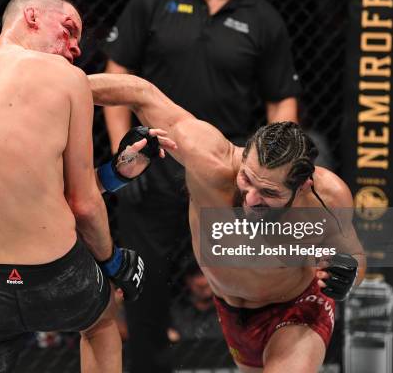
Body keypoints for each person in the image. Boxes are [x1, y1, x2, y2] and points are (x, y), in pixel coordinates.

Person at [0, 0, 174, 373]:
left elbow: (33, 195)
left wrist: (116, 173)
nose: (75, 48)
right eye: (69, 29)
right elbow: (81, 204)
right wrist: (112, 263)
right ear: (31, 16)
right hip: (55, 273)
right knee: (101, 322)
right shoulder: (66, 77)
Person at [89, 74, 366, 372]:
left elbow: (355, 257)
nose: (250, 198)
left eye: (269, 193)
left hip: (296, 307)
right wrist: (52, 80)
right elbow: (140, 92)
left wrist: (348, 276)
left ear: (302, 186)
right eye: (247, 178)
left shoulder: (327, 199)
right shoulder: (208, 159)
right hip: (230, 312)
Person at [103, 0, 301, 369]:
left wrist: (274, 169)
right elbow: (119, 74)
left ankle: (250, 362)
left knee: (242, 275)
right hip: (153, 160)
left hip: (226, 174)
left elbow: (281, 99)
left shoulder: (263, 18)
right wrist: (120, 154)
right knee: (144, 282)